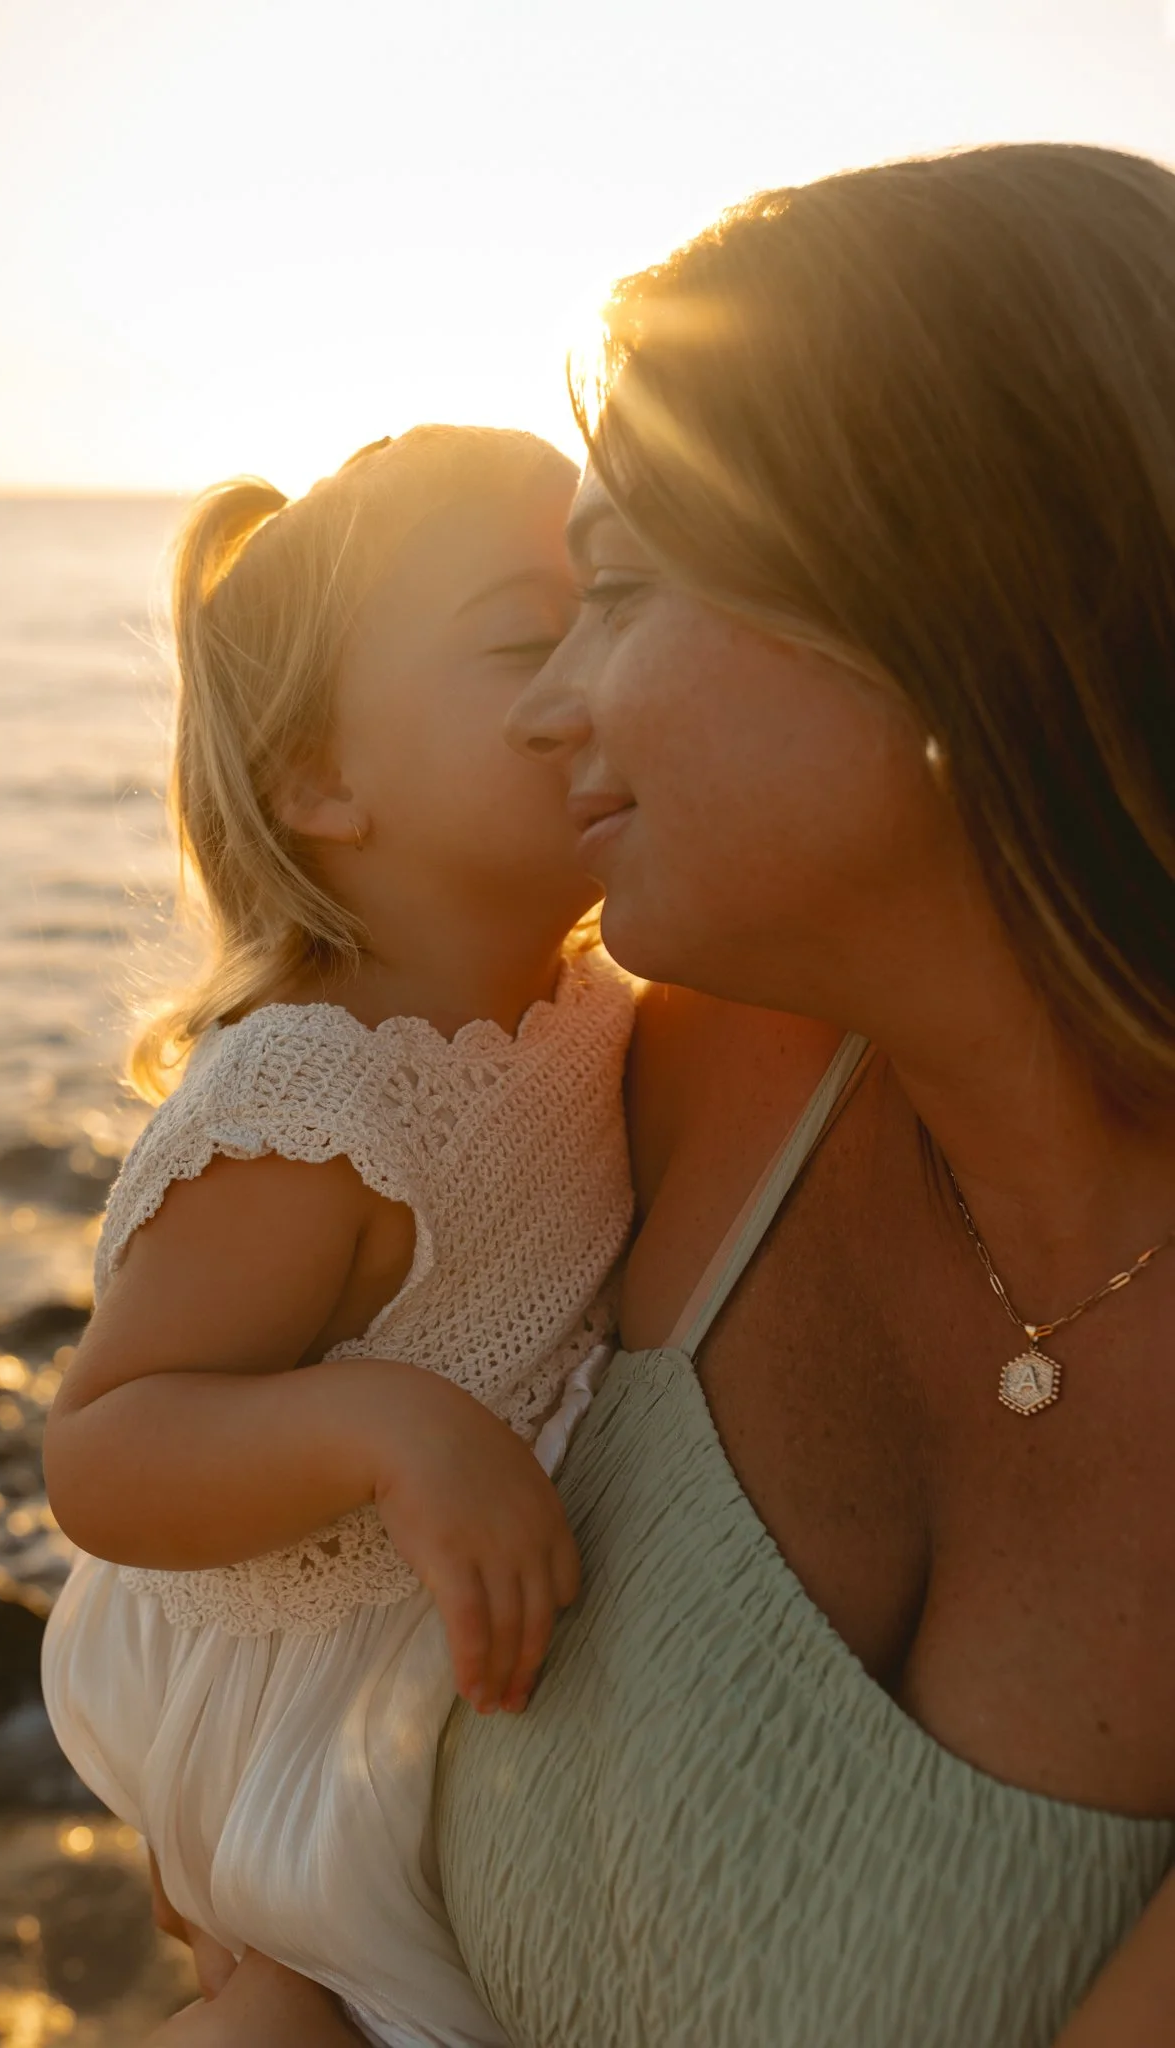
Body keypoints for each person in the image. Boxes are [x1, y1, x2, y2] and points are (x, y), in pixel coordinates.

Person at [225, 144, 1175, 2045]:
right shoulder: (641, 1101)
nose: (549, 701)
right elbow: (282, 1773)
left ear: (951, 615)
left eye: (624, 591)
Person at [38, 426, 637, 2048]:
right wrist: (387, 1425)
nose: (607, 674)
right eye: (531, 638)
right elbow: (101, 1456)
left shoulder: (594, 998)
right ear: (321, 779)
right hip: (305, 1694)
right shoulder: (314, 1103)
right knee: (298, 2015)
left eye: (623, 606)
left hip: (433, 1641)